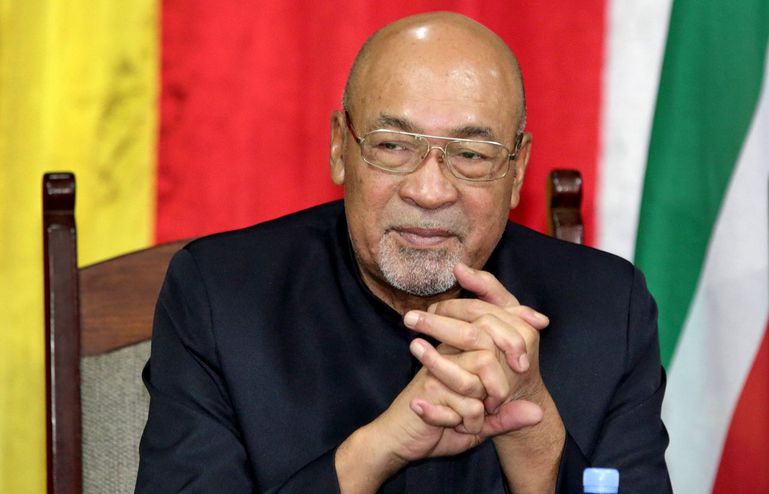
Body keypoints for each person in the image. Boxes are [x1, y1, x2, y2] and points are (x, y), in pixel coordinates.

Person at [136, 11, 671, 493]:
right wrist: (371, 454)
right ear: (339, 147)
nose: (429, 191)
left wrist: (537, 446)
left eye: (471, 154)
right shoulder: (221, 296)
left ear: (517, 170)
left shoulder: (607, 308)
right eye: (393, 145)